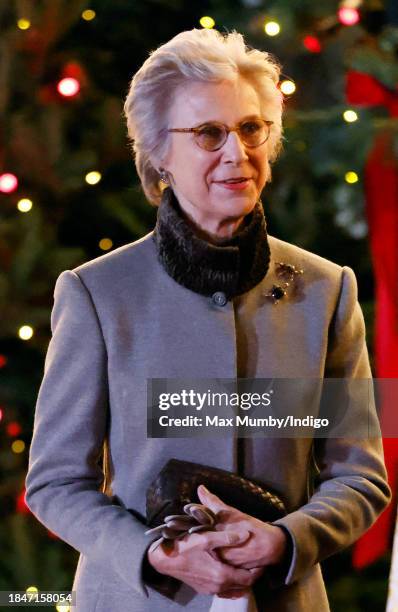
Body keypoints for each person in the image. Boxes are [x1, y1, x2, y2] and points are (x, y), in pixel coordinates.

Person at [25, 28, 391, 612]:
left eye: (251, 128)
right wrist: (152, 553)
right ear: (159, 154)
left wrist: (286, 540)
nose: (236, 153)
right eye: (208, 133)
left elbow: (363, 477)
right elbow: (54, 483)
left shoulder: (329, 290)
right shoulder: (95, 293)